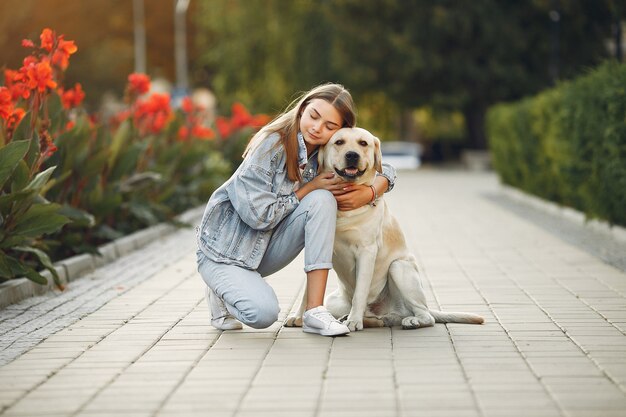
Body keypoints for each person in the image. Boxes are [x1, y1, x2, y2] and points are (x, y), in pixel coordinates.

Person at [196, 83, 396, 336]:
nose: (317, 128)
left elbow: (380, 162)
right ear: (302, 110)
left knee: (323, 198)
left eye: (330, 127)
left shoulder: (326, 150)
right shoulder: (271, 145)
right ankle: (220, 287)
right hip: (225, 251)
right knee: (263, 314)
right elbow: (259, 216)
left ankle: (314, 312)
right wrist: (307, 188)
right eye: (313, 116)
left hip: (261, 251)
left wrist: (373, 189)